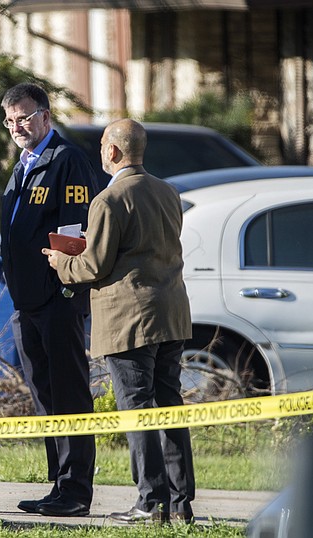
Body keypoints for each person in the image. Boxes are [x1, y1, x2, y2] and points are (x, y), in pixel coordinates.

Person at [43, 118, 196, 524]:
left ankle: (149, 501)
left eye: (101, 149)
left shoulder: (108, 201)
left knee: (137, 408)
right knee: (170, 405)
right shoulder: (168, 191)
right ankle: (180, 504)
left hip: (129, 319)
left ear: (112, 151)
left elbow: (93, 265)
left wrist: (62, 262)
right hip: (171, 313)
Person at [0, 83, 98, 517]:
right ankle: (57, 484)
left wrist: (66, 288)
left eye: (23, 117)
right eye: (9, 120)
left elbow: (75, 231)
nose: (16, 127)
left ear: (44, 115)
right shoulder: (23, 164)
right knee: (44, 395)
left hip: (57, 297)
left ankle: (76, 490)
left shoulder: (67, 160)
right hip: (27, 301)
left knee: (69, 394)